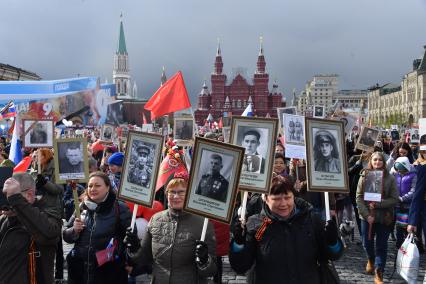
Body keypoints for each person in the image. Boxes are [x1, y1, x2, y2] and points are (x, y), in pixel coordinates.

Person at [229, 179, 343, 283]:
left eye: (287, 198)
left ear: (294, 196)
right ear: (265, 199)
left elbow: (333, 255)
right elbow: (240, 266)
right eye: (276, 199)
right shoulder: (256, 224)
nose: (283, 204)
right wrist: (238, 244)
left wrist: (332, 242)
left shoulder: (312, 219)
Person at [125, 173, 217, 283]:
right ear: (166, 193)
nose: (176, 196)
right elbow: (143, 259)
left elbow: (211, 271)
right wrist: (134, 247)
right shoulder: (155, 219)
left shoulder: (203, 224)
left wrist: (204, 260)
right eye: (172, 191)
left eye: (181, 192)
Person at [63, 172, 131, 284]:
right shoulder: (81, 206)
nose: (92, 189)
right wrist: (74, 230)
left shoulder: (120, 208)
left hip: (108, 273)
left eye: (97, 185)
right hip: (81, 274)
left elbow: (130, 242)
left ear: (108, 187)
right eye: (90, 186)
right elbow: (66, 236)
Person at [0, 172, 62, 283]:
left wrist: (17, 202)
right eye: (5, 195)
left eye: (11, 195)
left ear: (29, 195)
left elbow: (49, 234)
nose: (8, 199)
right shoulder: (5, 219)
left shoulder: (48, 215)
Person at [356, 152, 399, 283]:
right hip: (367, 217)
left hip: (383, 217)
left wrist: (379, 204)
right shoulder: (364, 175)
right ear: (371, 161)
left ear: (383, 162)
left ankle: (379, 272)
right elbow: (359, 197)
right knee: (366, 243)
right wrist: (367, 215)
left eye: (380, 160)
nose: (377, 162)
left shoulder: (390, 178)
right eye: (375, 160)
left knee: (381, 245)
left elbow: (394, 198)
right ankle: (371, 259)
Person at [392, 156, 416, 248]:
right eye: (398, 169)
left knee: (408, 228)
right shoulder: (395, 174)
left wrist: (403, 198)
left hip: (408, 206)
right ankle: (399, 246)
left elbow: (413, 191)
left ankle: (409, 246)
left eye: (401, 170)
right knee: (398, 226)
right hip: (397, 206)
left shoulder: (413, 175)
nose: (400, 171)